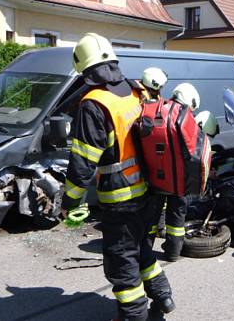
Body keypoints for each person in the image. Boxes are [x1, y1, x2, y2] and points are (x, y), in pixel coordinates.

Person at [62, 33, 174, 321]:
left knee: (121, 261)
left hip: (121, 200)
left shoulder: (94, 104)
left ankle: (133, 315)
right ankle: (163, 295)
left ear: (83, 67)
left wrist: (70, 201)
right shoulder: (136, 91)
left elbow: (82, 164)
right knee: (140, 248)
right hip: (150, 192)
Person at [147, 83, 201, 262]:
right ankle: (172, 253)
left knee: (151, 217)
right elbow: (192, 151)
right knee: (176, 219)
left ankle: (144, 249)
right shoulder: (185, 116)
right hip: (178, 181)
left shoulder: (156, 108)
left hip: (155, 177)